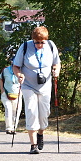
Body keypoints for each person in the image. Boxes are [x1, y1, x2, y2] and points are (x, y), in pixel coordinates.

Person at [13, 26, 61, 154]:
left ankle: (41, 133)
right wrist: (19, 75)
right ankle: (33, 144)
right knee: (31, 111)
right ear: (32, 40)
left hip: (45, 86)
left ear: (46, 40)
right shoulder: (24, 47)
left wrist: (56, 70)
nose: (39, 45)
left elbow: (57, 63)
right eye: (37, 42)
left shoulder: (51, 46)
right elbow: (16, 66)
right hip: (28, 86)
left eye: (42, 42)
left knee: (44, 114)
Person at [0, 58, 23, 135]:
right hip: (6, 93)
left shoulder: (21, 71)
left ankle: (14, 127)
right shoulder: (5, 70)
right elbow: (1, 79)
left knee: (16, 111)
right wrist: (2, 90)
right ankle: (9, 128)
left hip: (17, 94)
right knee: (8, 109)